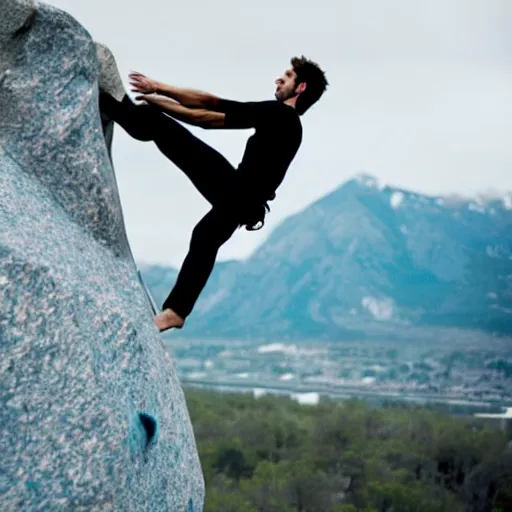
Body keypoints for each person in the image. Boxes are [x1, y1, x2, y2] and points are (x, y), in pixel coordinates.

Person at [99, 56, 328, 332]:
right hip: (243, 198)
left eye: (288, 76)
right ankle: (175, 312)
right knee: (205, 237)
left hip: (238, 192)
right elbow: (207, 113)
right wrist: (158, 98)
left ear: (300, 87)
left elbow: (208, 109)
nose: (279, 79)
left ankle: (103, 100)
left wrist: (157, 91)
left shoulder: (281, 115)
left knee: (156, 124)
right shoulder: (286, 123)